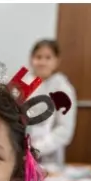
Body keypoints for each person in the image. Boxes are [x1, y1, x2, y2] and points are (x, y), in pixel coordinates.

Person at [27, 39, 77, 167]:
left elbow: (65, 129)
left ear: (56, 61)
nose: (42, 62)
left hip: (49, 156)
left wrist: (37, 149)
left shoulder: (62, 88)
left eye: (48, 58)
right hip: (21, 151)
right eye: (38, 57)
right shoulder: (23, 84)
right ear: (31, 59)